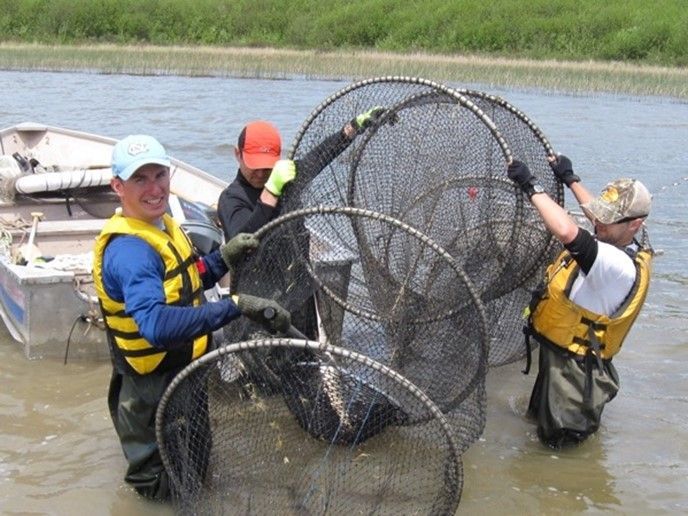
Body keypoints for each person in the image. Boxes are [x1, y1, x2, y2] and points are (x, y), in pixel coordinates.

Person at [92, 134, 291, 501]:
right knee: (162, 489)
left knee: (197, 469)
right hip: (153, 387)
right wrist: (235, 305)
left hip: (186, 371)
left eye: (159, 175)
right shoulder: (130, 252)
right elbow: (154, 326)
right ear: (117, 186)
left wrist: (223, 259)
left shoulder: (162, 225)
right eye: (140, 179)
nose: (154, 189)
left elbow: (184, 280)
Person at [507, 155, 653, 449]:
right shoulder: (623, 237)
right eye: (600, 214)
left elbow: (567, 232)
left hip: (575, 374)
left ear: (634, 225)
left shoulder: (617, 265)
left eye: (607, 218)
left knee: (558, 452)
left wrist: (531, 185)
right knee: (538, 436)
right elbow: (598, 219)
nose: (598, 221)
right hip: (566, 360)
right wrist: (570, 178)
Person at [216, 108, 390, 240]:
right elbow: (244, 241)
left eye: (267, 166)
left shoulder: (285, 179)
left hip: (299, 279)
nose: (261, 173)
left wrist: (353, 127)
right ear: (238, 155)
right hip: (256, 286)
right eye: (255, 165)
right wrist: (271, 191)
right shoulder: (231, 199)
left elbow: (319, 157)